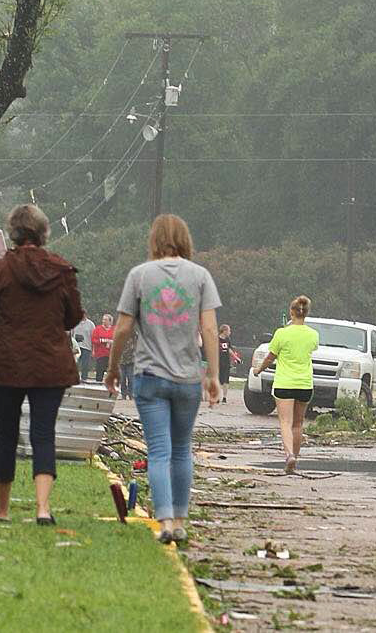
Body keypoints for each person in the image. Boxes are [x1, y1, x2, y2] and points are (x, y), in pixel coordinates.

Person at [105, 214, 221, 546]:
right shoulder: (200, 277)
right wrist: (212, 374)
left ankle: (165, 522)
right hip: (186, 379)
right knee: (182, 449)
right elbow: (210, 329)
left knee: (158, 451)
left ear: (153, 240)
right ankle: (182, 520)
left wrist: (112, 369)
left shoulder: (139, 275)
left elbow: (123, 328)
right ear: (185, 240)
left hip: (149, 377)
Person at [0, 203, 82, 525]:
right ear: (43, 232)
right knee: (44, 434)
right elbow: (73, 317)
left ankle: (4, 510)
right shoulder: (62, 270)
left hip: (9, 362)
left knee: (5, 434)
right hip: (51, 363)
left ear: (13, 233)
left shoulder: (0, 270)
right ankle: (43, 509)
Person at [253, 298, 318, 475]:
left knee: (285, 422)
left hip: (284, 383)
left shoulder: (281, 333)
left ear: (291, 312)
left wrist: (259, 369)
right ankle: (294, 461)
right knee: (298, 423)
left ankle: (289, 455)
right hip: (304, 384)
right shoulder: (313, 334)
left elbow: (270, 357)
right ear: (306, 313)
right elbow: (311, 350)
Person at [89, 309, 115, 381]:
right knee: (100, 370)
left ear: (110, 321)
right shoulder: (98, 329)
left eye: (106, 320)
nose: (103, 321)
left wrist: (112, 342)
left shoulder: (114, 329)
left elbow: (117, 340)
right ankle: (98, 383)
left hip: (111, 354)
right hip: (100, 353)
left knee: (111, 371)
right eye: (103, 319)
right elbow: (93, 340)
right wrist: (102, 341)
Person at [73, 313, 98, 382]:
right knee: (75, 362)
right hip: (77, 347)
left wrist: (93, 349)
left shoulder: (91, 324)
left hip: (86, 347)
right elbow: (71, 334)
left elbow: (94, 337)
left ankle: (84, 378)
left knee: (85, 364)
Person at [217, 323, 235, 403]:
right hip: (218, 362)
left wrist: (236, 358)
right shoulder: (216, 339)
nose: (230, 332)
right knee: (219, 379)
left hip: (226, 361)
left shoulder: (228, 339)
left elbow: (229, 350)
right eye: (229, 330)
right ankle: (217, 396)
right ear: (224, 331)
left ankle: (224, 397)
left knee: (226, 380)